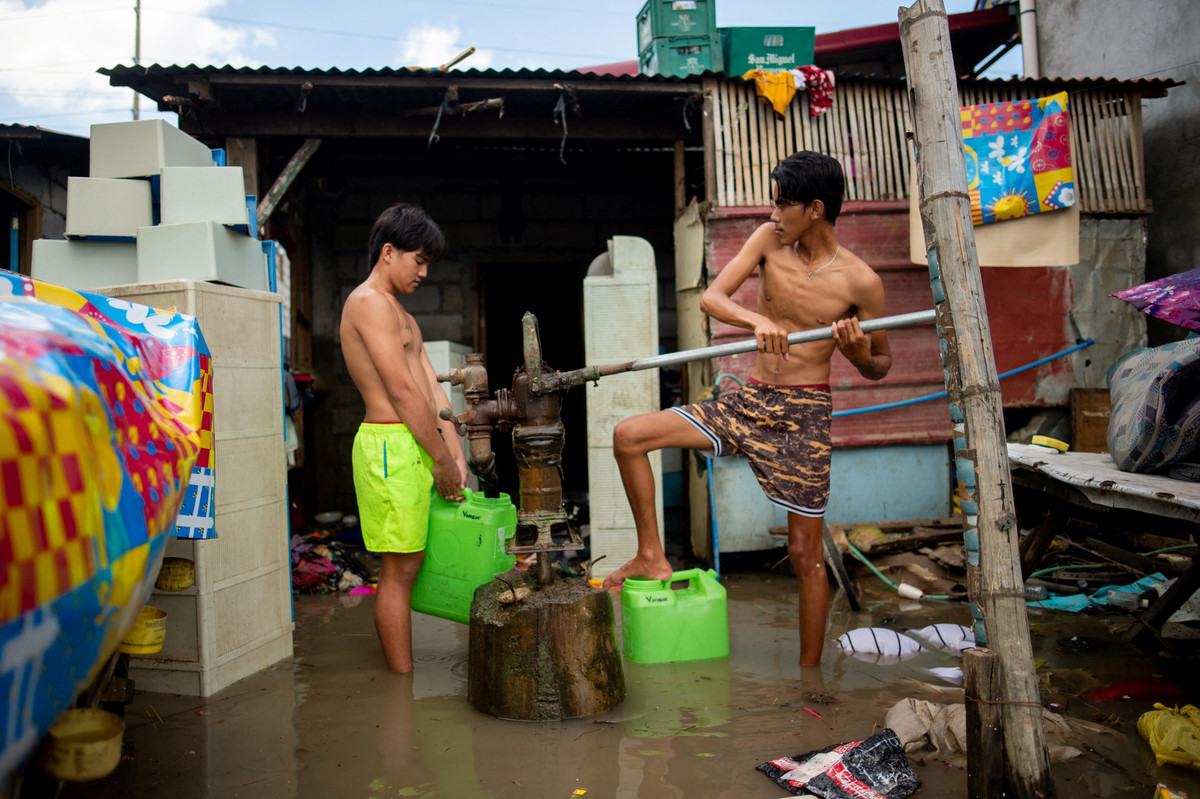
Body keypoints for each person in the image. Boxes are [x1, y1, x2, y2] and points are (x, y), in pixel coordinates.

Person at [601, 152, 892, 668]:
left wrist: (858, 354)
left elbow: (881, 364)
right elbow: (713, 298)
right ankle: (651, 555)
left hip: (805, 415)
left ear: (816, 209)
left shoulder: (861, 281)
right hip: (751, 400)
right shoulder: (768, 241)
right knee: (629, 435)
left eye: (783, 205)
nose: (774, 215)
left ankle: (809, 680)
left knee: (805, 555)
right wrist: (756, 321)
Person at [341, 202, 468, 673]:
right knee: (399, 567)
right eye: (420, 260)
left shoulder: (403, 315)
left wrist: (455, 453)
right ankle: (401, 684)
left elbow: (431, 389)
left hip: (415, 444)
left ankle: (403, 678)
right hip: (390, 446)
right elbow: (400, 391)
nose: (424, 273)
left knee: (413, 564)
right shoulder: (368, 303)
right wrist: (441, 459)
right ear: (389, 252)